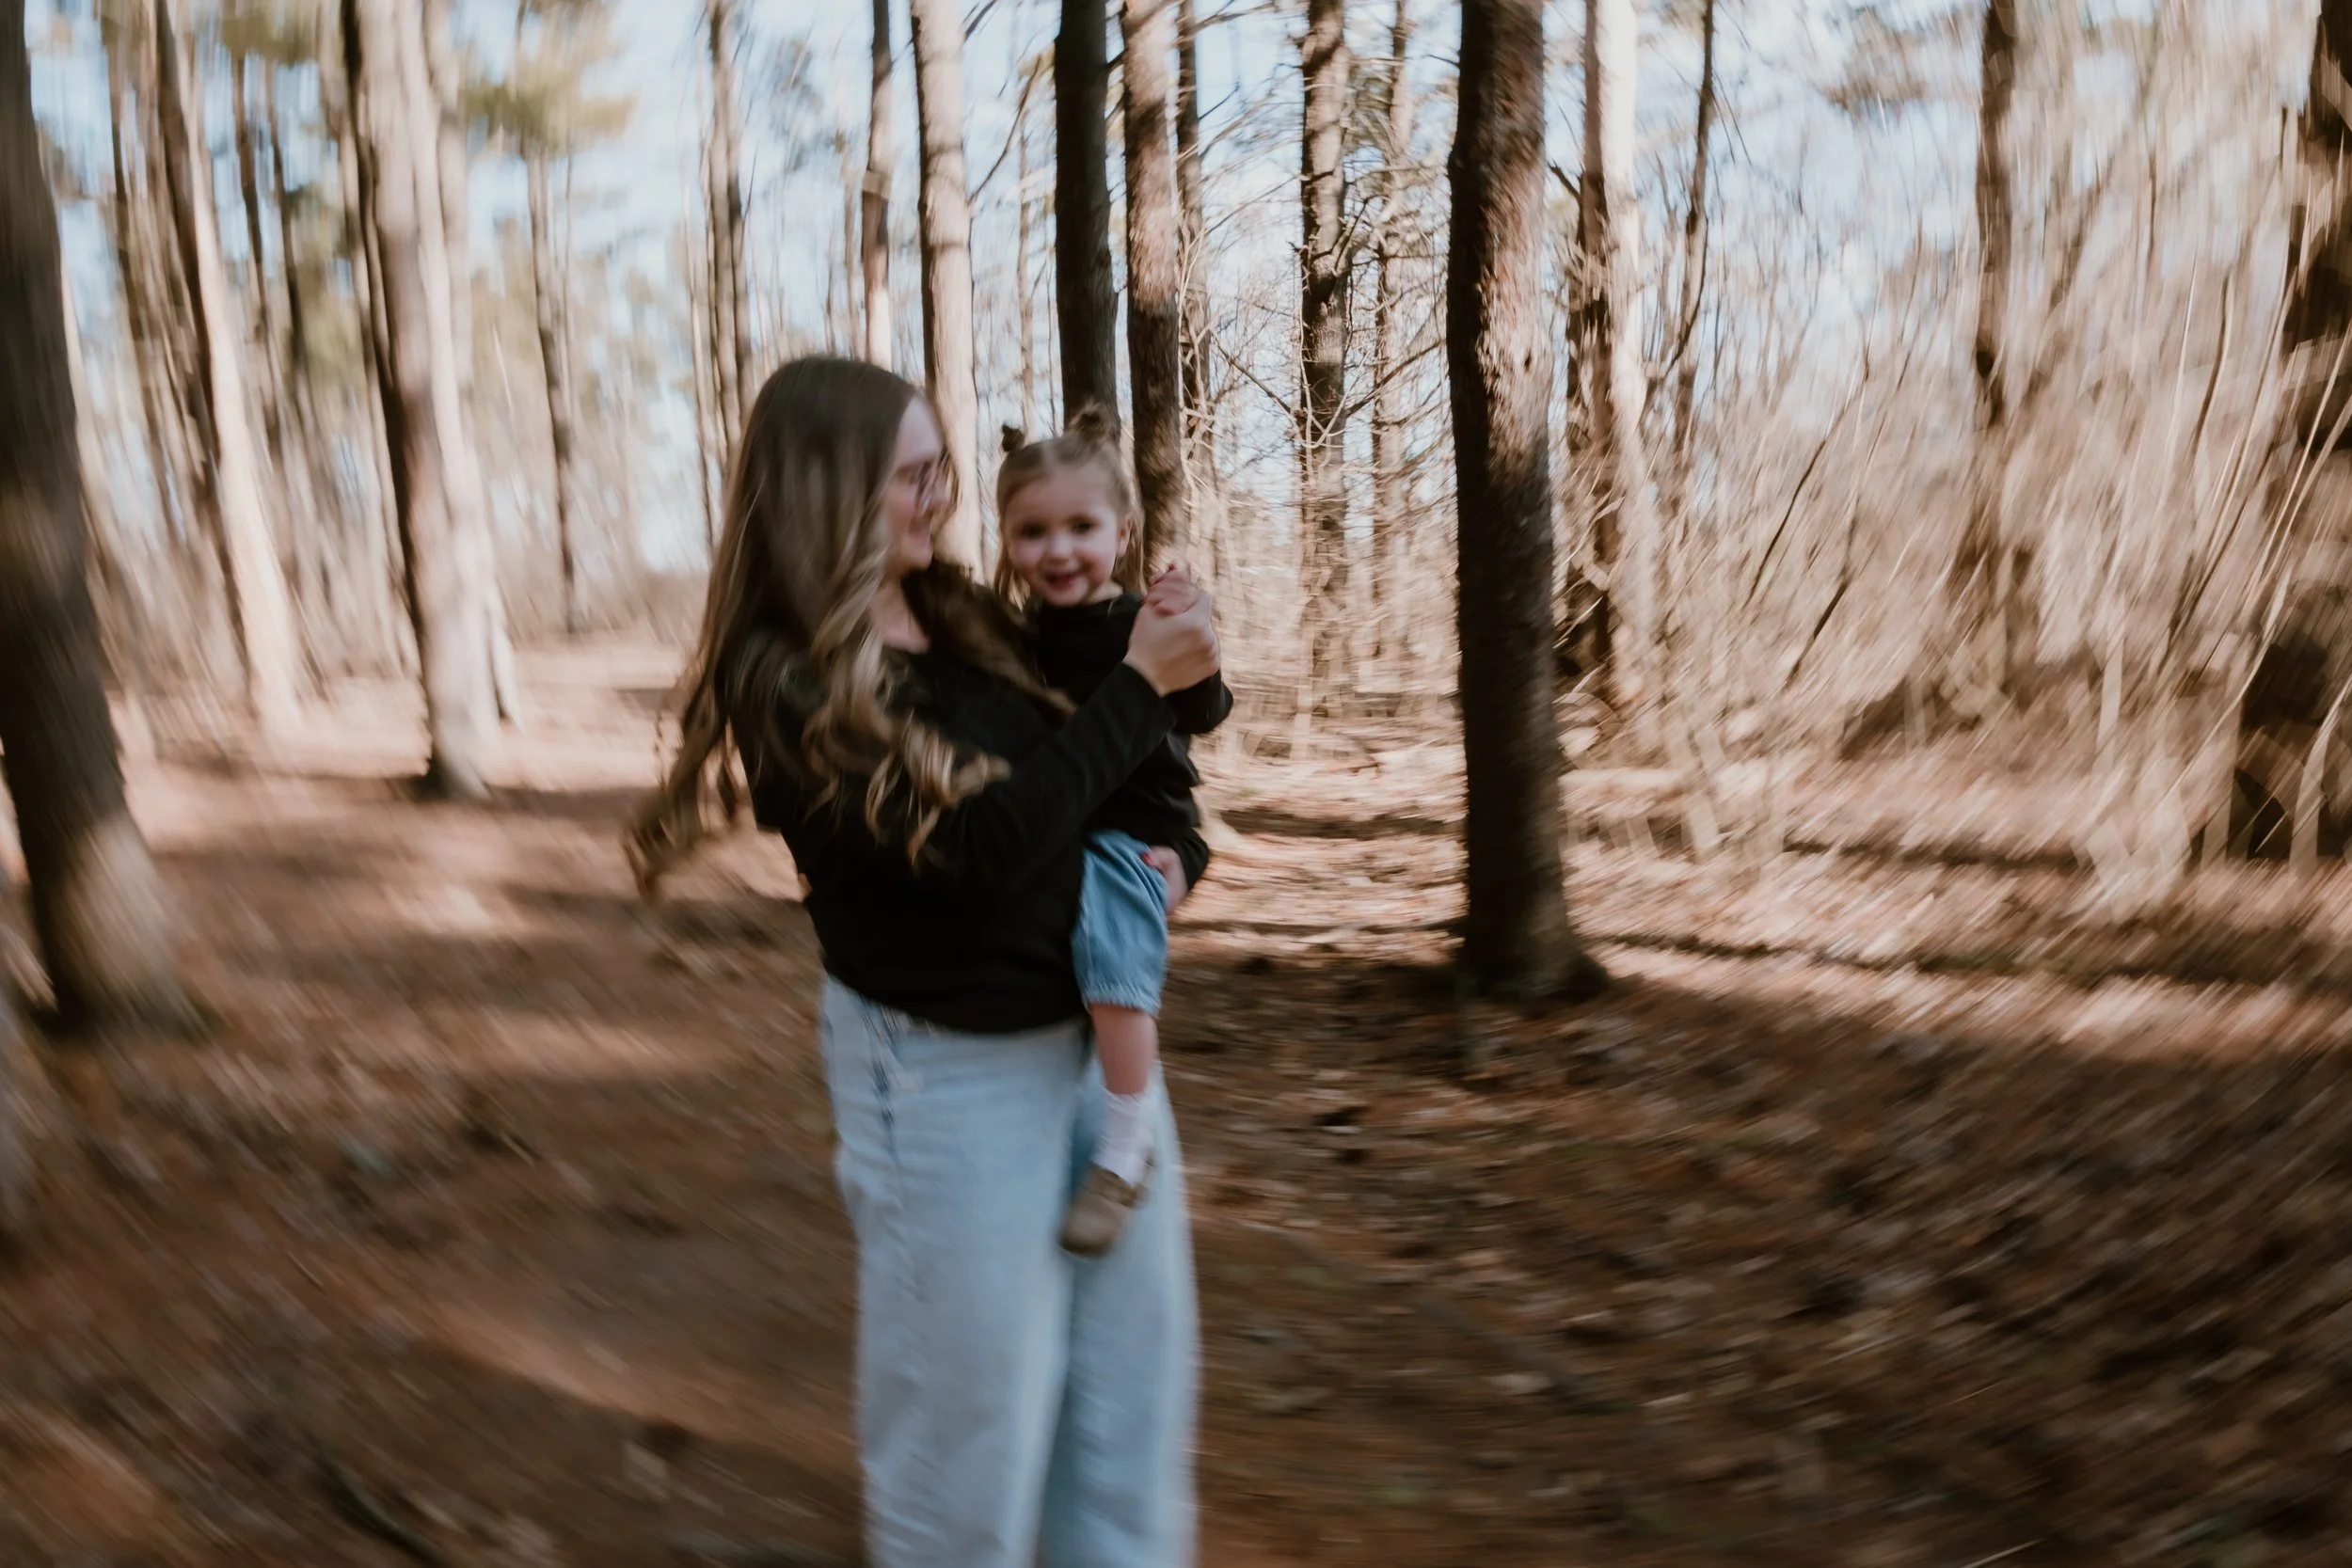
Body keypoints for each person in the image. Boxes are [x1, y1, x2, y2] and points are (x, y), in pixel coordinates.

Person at [628, 356, 1216, 1567]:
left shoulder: (962, 611)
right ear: (826, 490)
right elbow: (979, 854)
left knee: (1125, 1424)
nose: (941, 497)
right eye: (913, 474)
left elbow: (1103, 787)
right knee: (972, 1448)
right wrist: (1135, 686)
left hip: (1094, 1061)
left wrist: (1177, 855)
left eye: (942, 467)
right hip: (945, 1081)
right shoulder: (782, 679)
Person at [995, 410, 1231, 1255]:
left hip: (1140, 830)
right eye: (1033, 531)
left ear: (1121, 532)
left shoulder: (1138, 620)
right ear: (1006, 539)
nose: (1058, 551)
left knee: (1109, 951)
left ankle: (1126, 1144)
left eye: (1081, 528)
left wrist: (1193, 635)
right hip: (1058, 822)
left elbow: (1206, 712)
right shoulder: (1008, 639)